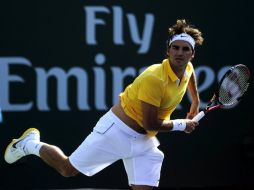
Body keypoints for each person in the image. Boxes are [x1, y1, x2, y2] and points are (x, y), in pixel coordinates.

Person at [4, 19, 204, 190]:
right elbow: (151, 123)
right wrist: (182, 125)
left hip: (144, 142)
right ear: (168, 51)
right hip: (116, 131)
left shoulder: (186, 68)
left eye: (185, 49)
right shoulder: (154, 78)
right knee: (67, 169)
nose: (179, 53)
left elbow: (190, 75)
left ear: (191, 55)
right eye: (175, 48)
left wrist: (195, 101)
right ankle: (28, 144)